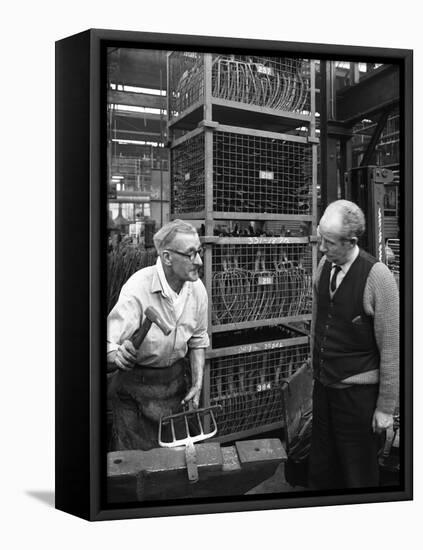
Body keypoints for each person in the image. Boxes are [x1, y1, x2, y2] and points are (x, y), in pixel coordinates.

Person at [308, 199, 399, 490]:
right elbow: (318, 322)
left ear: (351, 242)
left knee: (357, 473)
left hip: (357, 397)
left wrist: (386, 408)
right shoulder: (324, 266)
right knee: (324, 466)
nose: (322, 247)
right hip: (324, 389)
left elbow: (392, 348)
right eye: (321, 238)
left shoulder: (378, 277)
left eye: (329, 242)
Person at [107, 219, 209, 451]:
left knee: (177, 464)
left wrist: (198, 381)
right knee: (140, 468)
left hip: (174, 388)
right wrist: (116, 356)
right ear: (167, 258)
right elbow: (106, 344)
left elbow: (198, 339)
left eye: (199, 252)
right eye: (191, 254)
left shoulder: (197, 290)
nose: (199, 261)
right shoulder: (137, 289)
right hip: (135, 392)